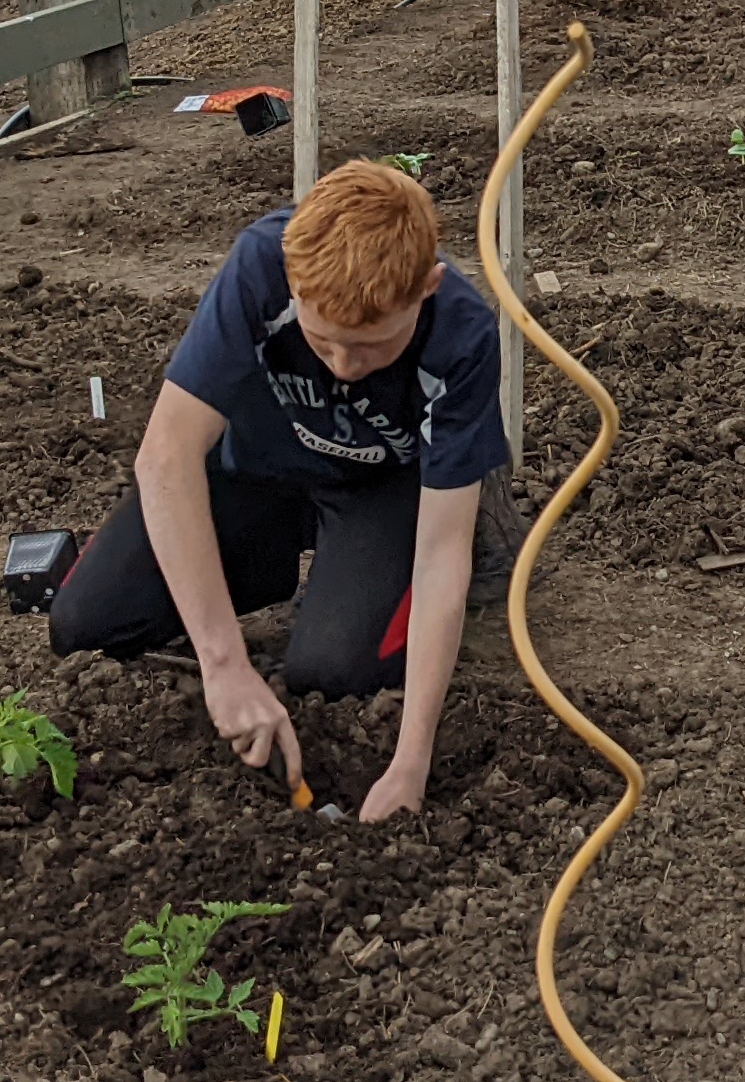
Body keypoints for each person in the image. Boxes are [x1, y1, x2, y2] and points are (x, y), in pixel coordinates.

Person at [49, 158, 512, 821]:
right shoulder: (261, 266)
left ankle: (452, 527)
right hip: (259, 472)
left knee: (332, 672)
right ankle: (266, 565)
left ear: (427, 288)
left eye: (373, 348)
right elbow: (166, 460)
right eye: (325, 342)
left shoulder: (461, 334)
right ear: (294, 284)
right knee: (86, 623)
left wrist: (411, 762)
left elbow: (441, 556)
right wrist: (224, 665)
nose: (347, 367)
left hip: (380, 489)